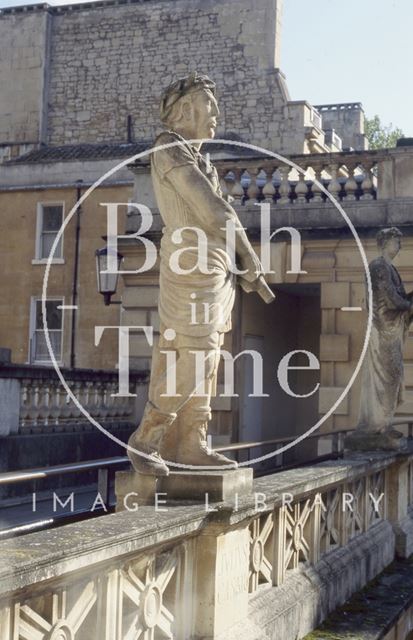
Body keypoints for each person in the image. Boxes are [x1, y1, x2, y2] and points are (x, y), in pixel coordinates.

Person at [127, 72, 273, 475]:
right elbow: (214, 211)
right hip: (192, 263)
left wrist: (238, 262)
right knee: (196, 355)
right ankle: (147, 438)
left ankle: (193, 442)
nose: (217, 113)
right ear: (186, 108)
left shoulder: (197, 156)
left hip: (212, 265)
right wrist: (249, 256)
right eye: (211, 104)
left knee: (208, 356)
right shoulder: (169, 148)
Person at [357, 227, 413, 435]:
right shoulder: (378, 267)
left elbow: (401, 300)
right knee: (387, 377)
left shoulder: (390, 268)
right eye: (396, 242)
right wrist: (409, 304)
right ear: (385, 243)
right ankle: (377, 426)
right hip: (383, 333)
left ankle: (384, 424)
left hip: (391, 333)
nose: (400, 246)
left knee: (393, 376)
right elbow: (391, 299)